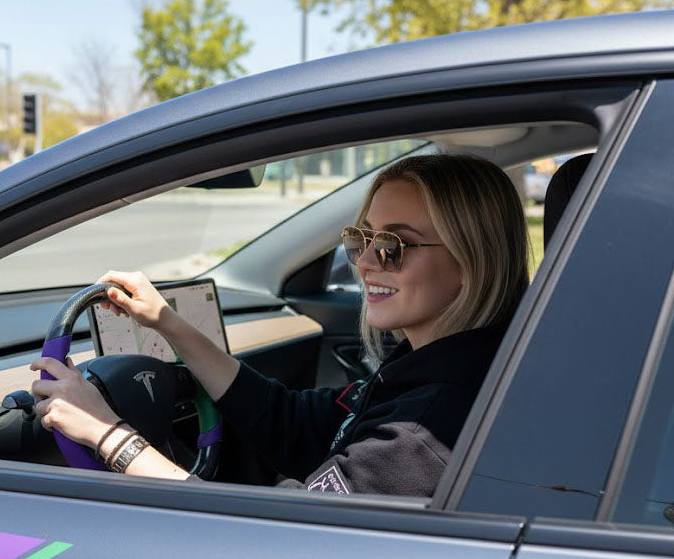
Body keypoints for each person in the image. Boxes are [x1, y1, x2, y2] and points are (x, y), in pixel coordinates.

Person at [30, 153, 529, 495]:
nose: (366, 263)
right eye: (361, 238)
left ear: (471, 260)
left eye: (393, 245)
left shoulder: (423, 432)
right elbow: (290, 422)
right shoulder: (438, 365)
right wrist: (168, 324)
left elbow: (261, 546)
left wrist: (107, 433)